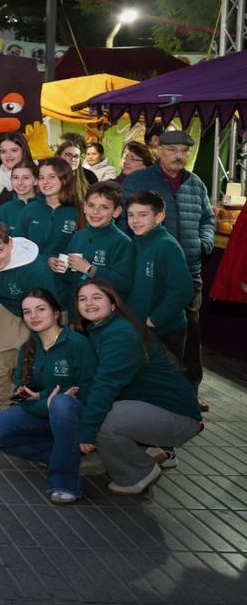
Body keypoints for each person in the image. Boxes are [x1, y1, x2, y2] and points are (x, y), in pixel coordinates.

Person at [75, 280, 203, 494]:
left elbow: (105, 387)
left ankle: (139, 472)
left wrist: (87, 433)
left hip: (177, 416)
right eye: (82, 299)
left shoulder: (120, 334)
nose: (89, 303)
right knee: (90, 408)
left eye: (97, 297)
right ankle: (143, 452)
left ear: (113, 304)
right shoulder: (99, 329)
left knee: (106, 421)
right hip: (148, 407)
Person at [0, 289, 96, 504]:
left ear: (56, 313)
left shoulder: (77, 344)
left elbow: (88, 387)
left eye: (41, 309)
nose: (34, 316)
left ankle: (65, 482)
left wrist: (45, 398)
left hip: (75, 414)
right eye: (27, 312)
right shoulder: (28, 347)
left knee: (62, 403)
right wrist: (45, 403)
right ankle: (59, 452)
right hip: (43, 412)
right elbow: (20, 396)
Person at [121, 129, 214, 406]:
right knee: (151, 333)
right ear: (159, 149)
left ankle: (189, 393)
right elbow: (126, 221)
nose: (179, 156)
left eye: (184, 151)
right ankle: (150, 394)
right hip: (148, 272)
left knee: (190, 334)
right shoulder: (139, 180)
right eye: (173, 150)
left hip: (189, 270)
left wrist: (203, 243)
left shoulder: (195, 183)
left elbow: (208, 218)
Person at [0, 220, 60, 410]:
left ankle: (38, 407)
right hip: (9, 307)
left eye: (0, 250)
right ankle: (3, 406)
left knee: (36, 360)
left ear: (10, 244)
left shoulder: (34, 267)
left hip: (42, 311)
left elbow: (48, 305)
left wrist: (42, 339)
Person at [125, 190, 193, 363]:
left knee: (164, 382)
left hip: (164, 331)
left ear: (159, 216)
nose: (135, 221)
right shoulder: (137, 242)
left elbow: (182, 290)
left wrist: (154, 320)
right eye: (131, 215)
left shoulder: (166, 246)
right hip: (139, 327)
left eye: (143, 215)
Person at [63, 181, 134, 297]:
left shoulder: (123, 242)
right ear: (84, 207)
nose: (96, 212)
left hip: (105, 311)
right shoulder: (77, 237)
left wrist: (89, 269)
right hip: (76, 307)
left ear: (116, 212)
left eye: (104, 207)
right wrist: (60, 266)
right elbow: (68, 277)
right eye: (91, 206)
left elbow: (124, 282)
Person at [34, 157, 83, 301]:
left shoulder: (78, 211)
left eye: (52, 177)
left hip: (66, 289)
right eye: (41, 177)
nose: (45, 182)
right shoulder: (29, 210)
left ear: (65, 179)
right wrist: (44, 260)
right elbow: (18, 246)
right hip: (34, 286)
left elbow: (84, 246)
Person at [0, 161, 42, 244]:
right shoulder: (4, 210)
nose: (20, 182)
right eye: (15, 178)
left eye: (26, 178)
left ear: (36, 181)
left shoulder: (46, 206)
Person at [0, 132, 31, 203]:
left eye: (14, 150)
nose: (8, 155)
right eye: (3, 151)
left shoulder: (40, 177)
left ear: (24, 151)